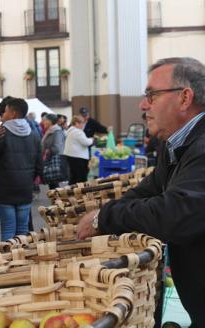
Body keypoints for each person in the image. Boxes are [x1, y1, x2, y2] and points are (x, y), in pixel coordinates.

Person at [77, 57, 205, 327]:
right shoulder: (175, 145)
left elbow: (175, 214)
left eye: (152, 95)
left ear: (184, 98)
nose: (143, 105)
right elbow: (149, 189)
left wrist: (104, 218)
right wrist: (102, 216)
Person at [0, 97, 42, 241]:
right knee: (22, 231)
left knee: (8, 229)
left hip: (4, 190)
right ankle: (22, 261)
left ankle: (8, 261)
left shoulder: (2, 134)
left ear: (14, 113)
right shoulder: (34, 135)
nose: (3, 115)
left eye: (5, 111)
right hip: (25, 189)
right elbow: (39, 164)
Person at [63, 116, 93, 184]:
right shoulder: (77, 132)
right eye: (81, 123)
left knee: (73, 176)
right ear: (76, 123)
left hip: (71, 156)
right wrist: (92, 139)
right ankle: (80, 192)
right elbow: (86, 142)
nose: (83, 125)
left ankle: (70, 191)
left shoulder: (70, 131)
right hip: (78, 157)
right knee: (81, 177)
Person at [41, 113, 66, 189]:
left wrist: (48, 151)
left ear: (50, 121)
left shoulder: (57, 131)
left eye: (45, 120)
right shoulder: (50, 131)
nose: (43, 122)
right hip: (49, 160)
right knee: (52, 184)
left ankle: (57, 200)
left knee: (54, 184)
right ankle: (55, 199)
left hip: (54, 160)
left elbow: (57, 148)